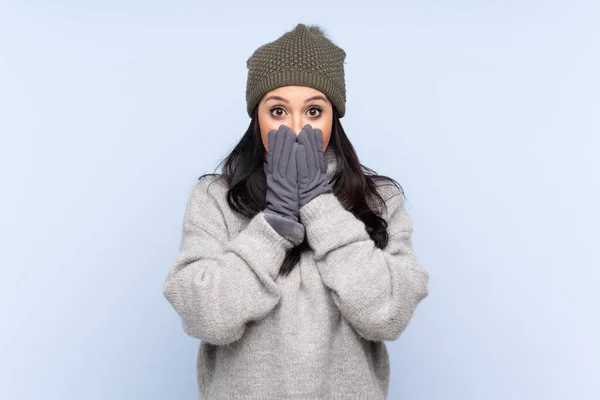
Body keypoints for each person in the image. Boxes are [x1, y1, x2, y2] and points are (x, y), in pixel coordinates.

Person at [162, 22, 429, 399]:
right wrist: (273, 225)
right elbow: (208, 317)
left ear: (333, 117)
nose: (297, 128)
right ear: (257, 117)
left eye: (314, 111)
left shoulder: (378, 199)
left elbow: (387, 314)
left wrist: (319, 206)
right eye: (278, 111)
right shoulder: (216, 199)